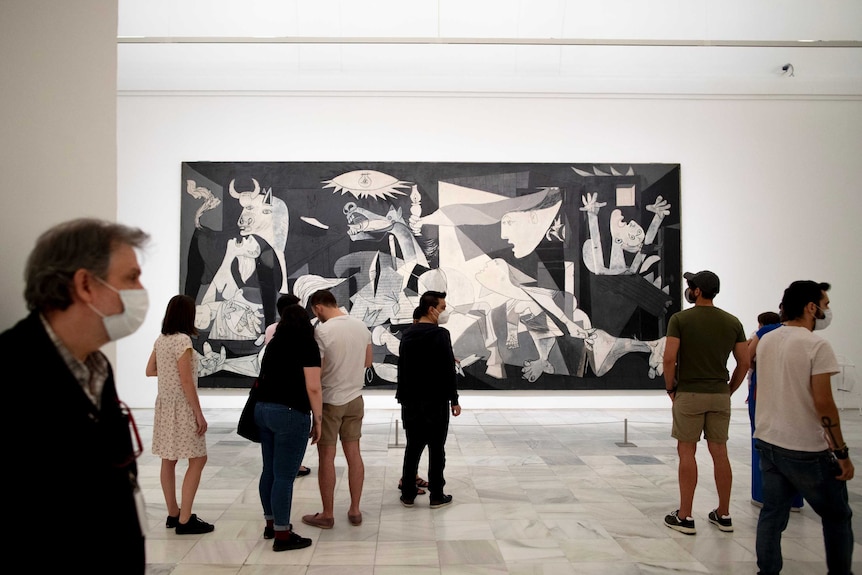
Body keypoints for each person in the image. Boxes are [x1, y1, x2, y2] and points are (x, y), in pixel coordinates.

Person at [1, 218, 149, 572]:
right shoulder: (12, 371)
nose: (140, 289)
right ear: (85, 284)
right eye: (131, 278)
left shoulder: (98, 367)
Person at [753, 281, 854, 575]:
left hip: (769, 440)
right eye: (825, 304)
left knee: (772, 515)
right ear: (811, 307)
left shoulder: (768, 339)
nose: (827, 310)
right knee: (837, 515)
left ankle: (767, 571)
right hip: (805, 448)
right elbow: (824, 403)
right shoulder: (816, 345)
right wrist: (842, 452)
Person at [662, 270, 749, 535]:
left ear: (697, 291)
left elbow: (668, 358)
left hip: (689, 393)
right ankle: (723, 514)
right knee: (720, 453)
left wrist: (671, 388)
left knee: (686, 452)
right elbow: (744, 362)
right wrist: (729, 389)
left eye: (690, 286)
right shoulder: (732, 322)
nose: (688, 289)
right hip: (719, 394)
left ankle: (685, 516)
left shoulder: (680, 319)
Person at [301, 289, 373, 529]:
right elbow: (368, 362)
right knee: (354, 454)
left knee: (327, 457)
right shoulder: (361, 326)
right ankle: (355, 510)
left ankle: (328, 514)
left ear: (317, 307)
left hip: (331, 400)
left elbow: (317, 369)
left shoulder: (322, 331)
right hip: (355, 398)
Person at [254, 303, 323, 551]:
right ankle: (283, 537)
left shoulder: (274, 344)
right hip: (291, 413)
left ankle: (271, 525)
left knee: (269, 471)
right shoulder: (307, 344)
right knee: (284, 476)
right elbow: (313, 387)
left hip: (263, 411)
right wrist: (319, 420)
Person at [145, 294, 214, 534]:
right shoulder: (183, 341)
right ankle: (185, 519)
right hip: (182, 406)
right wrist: (199, 413)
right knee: (198, 459)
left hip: (164, 404)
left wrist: (167, 376)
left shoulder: (161, 340)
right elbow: (187, 381)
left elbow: (149, 370)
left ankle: (173, 513)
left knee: (169, 459)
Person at [397, 291, 462, 509]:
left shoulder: (407, 335)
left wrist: (403, 398)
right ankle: (436, 495)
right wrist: (454, 399)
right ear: (431, 309)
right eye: (442, 307)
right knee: (437, 448)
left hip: (412, 401)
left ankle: (407, 494)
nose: (444, 311)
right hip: (436, 400)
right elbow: (447, 370)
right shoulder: (440, 335)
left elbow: (403, 370)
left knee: (412, 448)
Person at [747, 311, 803, 511]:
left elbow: (748, 357)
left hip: (765, 391)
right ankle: (794, 499)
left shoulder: (765, 333)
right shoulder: (805, 336)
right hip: (793, 394)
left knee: (762, 440)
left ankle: (764, 496)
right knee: (793, 444)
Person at [263, 293, 311, 478]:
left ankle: (280, 465)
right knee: (292, 435)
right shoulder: (302, 333)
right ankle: (294, 465)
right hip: (294, 392)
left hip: (272, 389)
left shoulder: (272, 331)